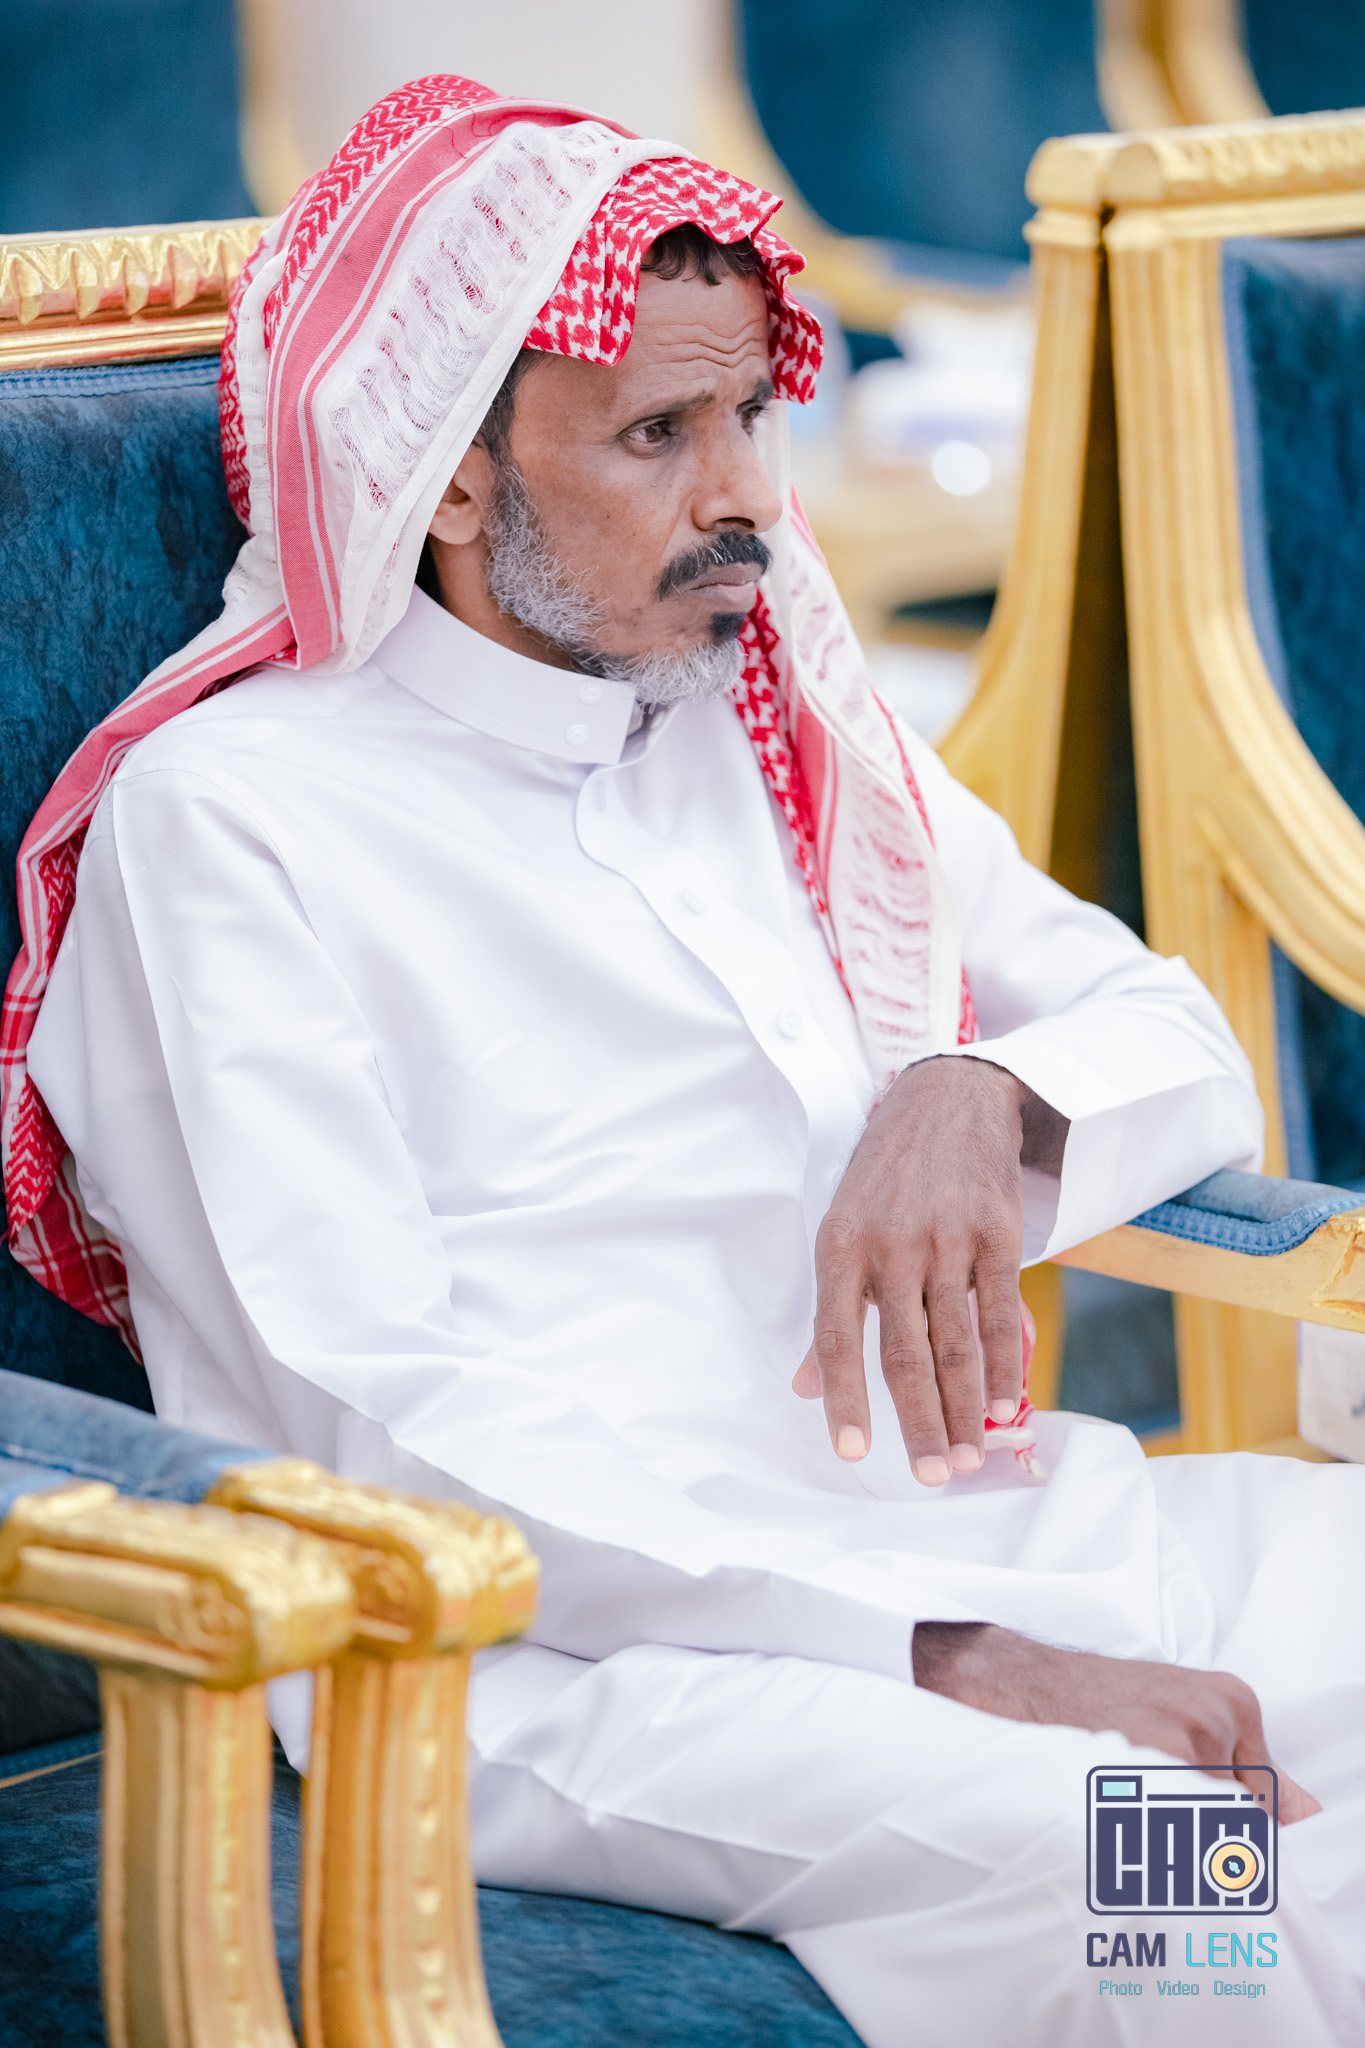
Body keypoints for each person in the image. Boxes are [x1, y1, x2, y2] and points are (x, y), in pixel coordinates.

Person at [4, 77, 1363, 2047]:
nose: (742, 496)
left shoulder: (757, 716)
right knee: (1159, 1862)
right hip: (563, 1664)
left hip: (974, 1531)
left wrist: (975, 1097)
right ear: (442, 478)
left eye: (747, 417)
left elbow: (1175, 1042)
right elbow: (374, 1420)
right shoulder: (231, 825)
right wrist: (938, 1654)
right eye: (657, 433)